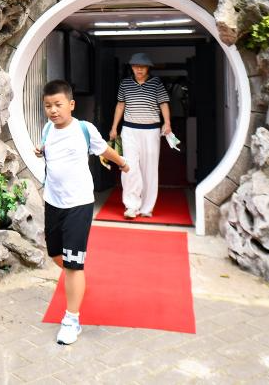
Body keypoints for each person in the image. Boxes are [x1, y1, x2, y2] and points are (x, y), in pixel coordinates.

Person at [36, 79, 128, 345]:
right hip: (53, 201)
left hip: (79, 203)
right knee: (56, 254)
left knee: (73, 263)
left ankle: (72, 319)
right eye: (48, 106)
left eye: (58, 104)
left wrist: (122, 162)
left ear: (71, 104)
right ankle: (76, 276)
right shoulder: (47, 129)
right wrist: (41, 150)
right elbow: (49, 150)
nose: (53, 110)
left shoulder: (84, 129)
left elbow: (104, 150)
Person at [108, 53, 171, 219]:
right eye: (136, 66)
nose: (139, 70)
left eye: (142, 67)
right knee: (129, 166)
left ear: (148, 68)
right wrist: (114, 127)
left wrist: (167, 123)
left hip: (151, 131)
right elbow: (120, 105)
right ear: (132, 67)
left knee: (149, 169)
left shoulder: (156, 83)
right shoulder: (125, 83)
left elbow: (163, 103)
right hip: (129, 130)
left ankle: (146, 207)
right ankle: (131, 206)